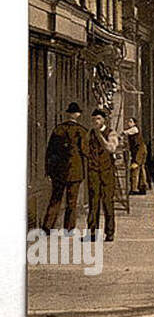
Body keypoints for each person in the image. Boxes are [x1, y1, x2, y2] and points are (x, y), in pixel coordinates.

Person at [42, 102, 89, 234]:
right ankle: (68, 229)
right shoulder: (81, 131)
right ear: (77, 115)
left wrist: (48, 169)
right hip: (75, 171)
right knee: (71, 201)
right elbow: (86, 151)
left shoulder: (58, 129)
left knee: (55, 199)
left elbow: (50, 151)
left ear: (68, 114)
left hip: (58, 171)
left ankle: (47, 227)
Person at [85, 108, 118, 241]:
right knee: (93, 202)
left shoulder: (111, 133)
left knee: (108, 202)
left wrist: (100, 136)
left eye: (98, 119)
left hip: (107, 171)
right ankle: (92, 233)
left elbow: (111, 148)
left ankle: (109, 233)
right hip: (93, 170)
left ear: (104, 120)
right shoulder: (90, 133)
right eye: (93, 120)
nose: (96, 122)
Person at [123, 117, 146, 194]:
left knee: (135, 169)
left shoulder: (134, 129)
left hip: (139, 151)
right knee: (140, 169)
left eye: (130, 121)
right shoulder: (133, 130)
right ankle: (142, 186)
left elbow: (125, 132)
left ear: (134, 123)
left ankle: (134, 188)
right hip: (138, 151)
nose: (128, 123)